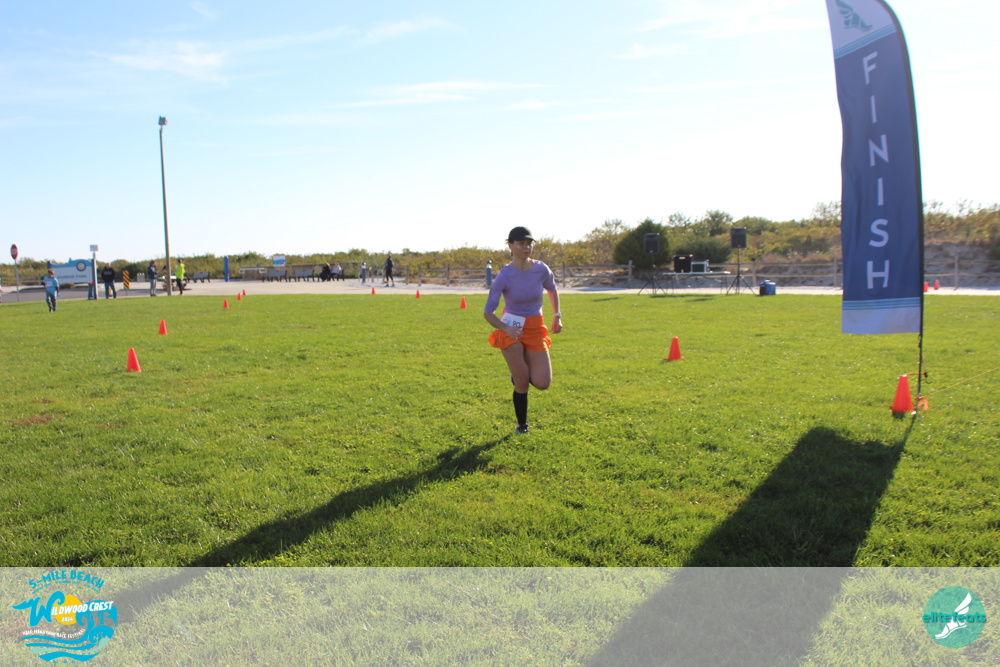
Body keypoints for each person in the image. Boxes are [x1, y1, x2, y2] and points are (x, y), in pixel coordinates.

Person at [483, 226, 562, 435]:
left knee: (542, 383)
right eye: (521, 243)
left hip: (535, 327)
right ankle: (522, 425)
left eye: (529, 244)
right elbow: (488, 312)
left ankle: (519, 373)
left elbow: (552, 289)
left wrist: (557, 315)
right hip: (512, 327)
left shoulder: (541, 269)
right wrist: (506, 328)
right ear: (510, 245)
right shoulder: (504, 276)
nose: (526, 247)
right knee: (522, 381)